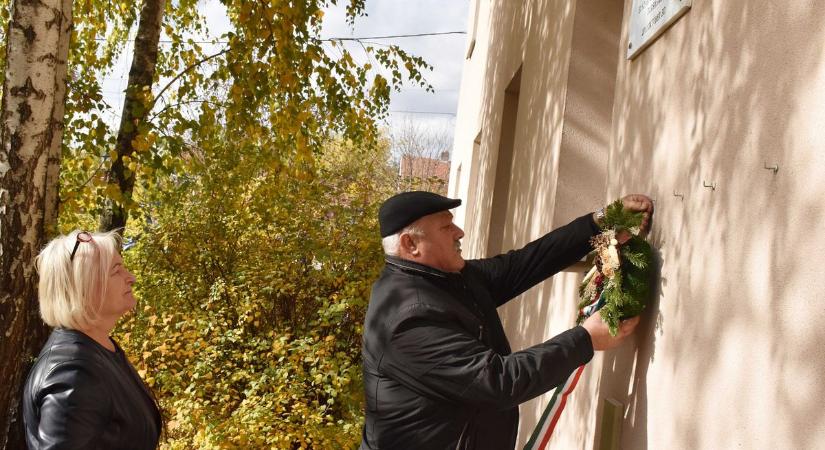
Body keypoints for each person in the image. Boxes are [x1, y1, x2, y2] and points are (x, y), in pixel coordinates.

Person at [360, 191, 654, 449]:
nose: (459, 232)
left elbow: (523, 264)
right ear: (411, 245)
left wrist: (598, 222)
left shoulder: (446, 279)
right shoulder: (406, 319)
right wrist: (585, 339)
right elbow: (498, 381)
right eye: (446, 226)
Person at [23, 230, 162, 449]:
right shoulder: (72, 373)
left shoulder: (98, 349)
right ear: (84, 287)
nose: (131, 277)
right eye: (116, 270)